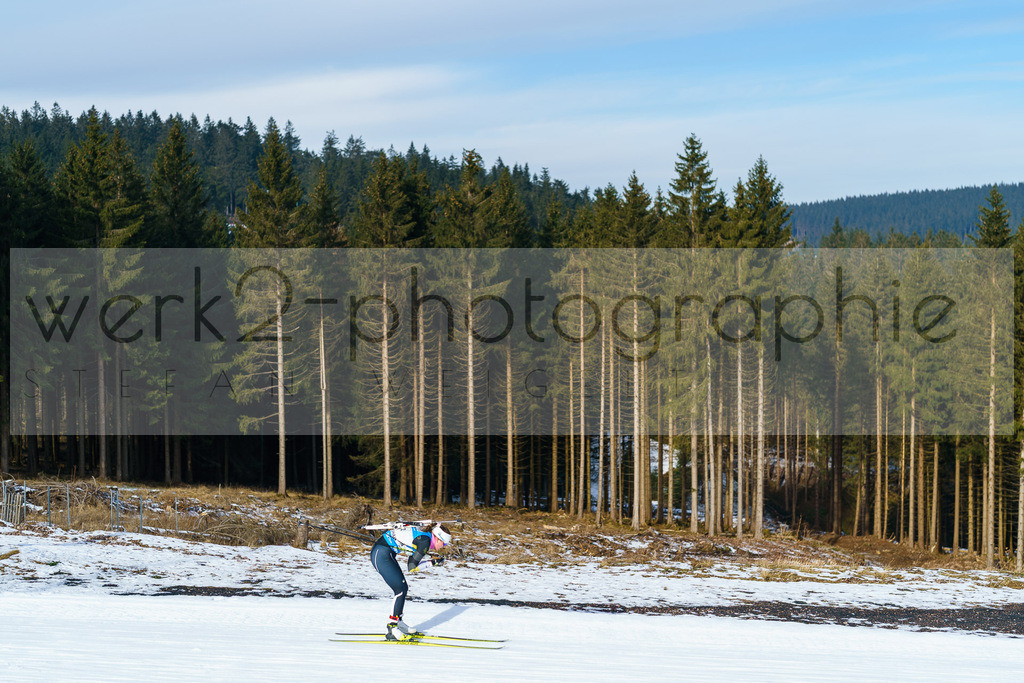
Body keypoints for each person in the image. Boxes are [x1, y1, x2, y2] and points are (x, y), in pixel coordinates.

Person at [369, 522, 452, 640]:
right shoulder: (425, 542)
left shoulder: (425, 537)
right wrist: (432, 563)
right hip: (381, 554)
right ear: (438, 539)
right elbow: (412, 567)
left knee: (403, 588)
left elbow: (411, 561)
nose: (443, 546)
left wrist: (432, 561)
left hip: (385, 552)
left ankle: (398, 622)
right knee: (400, 589)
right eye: (444, 543)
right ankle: (392, 627)